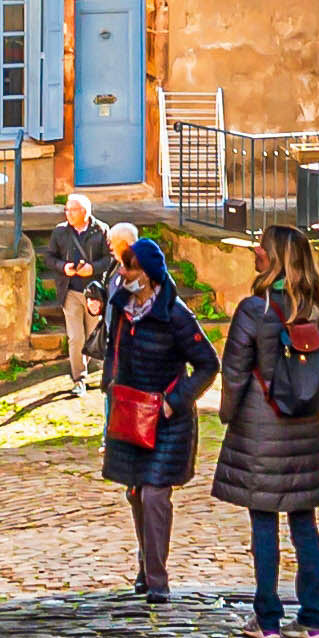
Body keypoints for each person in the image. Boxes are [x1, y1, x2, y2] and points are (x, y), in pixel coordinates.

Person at [214, 227, 319, 638]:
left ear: (274, 259)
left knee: (264, 524)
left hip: (260, 429)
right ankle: (311, 618)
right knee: (305, 524)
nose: (255, 251)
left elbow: (234, 371)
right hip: (305, 432)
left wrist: (228, 415)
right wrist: (311, 406)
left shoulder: (255, 309)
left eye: (262, 248)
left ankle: (267, 619)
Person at [90, 225, 215, 599]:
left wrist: (174, 401)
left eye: (128, 268)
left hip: (166, 422)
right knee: (135, 493)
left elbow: (208, 364)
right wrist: (112, 387)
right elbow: (114, 353)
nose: (122, 274)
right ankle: (146, 566)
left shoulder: (176, 316)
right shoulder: (123, 309)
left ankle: (158, 581)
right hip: (130, 415)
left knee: (156, 496)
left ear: (146, 274)